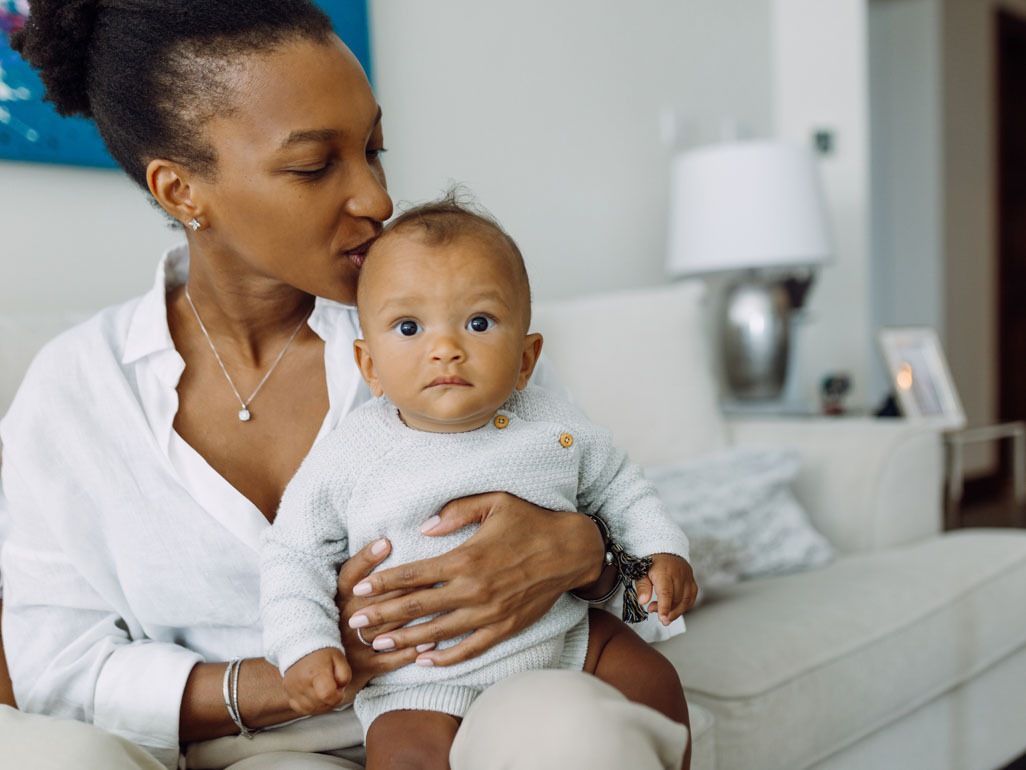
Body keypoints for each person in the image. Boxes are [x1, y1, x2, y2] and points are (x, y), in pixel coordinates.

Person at [0, 1, 694, 768]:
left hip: (487, 698)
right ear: (180, 190)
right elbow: (53, 668)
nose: (376, 199)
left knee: (575, 733)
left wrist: (589, 557)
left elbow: (610, 518)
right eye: (314, 165)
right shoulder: (75, 393)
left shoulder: (442, 334)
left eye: (374, 150)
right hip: (247, 743)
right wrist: (287, 680)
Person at [261, 199, 696, 768]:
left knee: (653, 680)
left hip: (565, 640)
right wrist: (305, 647)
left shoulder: (553, 425)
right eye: (410, 327)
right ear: (369, 367)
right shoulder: (351, 453)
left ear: (525, 358)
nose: (446, 348)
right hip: (418, 681)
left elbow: (620, 487)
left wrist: (662, 550)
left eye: (479, 322)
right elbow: (292, 555)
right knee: (403, 756)